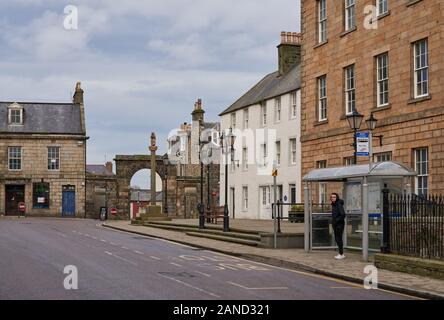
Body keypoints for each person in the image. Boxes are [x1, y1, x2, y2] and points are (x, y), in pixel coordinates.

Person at [331, 193, 346, 260]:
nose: (333, 198)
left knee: (338, 239)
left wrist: (336, 220)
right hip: (336, 224)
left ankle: (341, 254)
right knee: (337, 239)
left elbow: (343, 214)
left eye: (334, 197)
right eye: (331, 197)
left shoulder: (338, 204)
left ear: (337, 197)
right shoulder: (334, 204)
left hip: (339, 225)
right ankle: (341, 253)